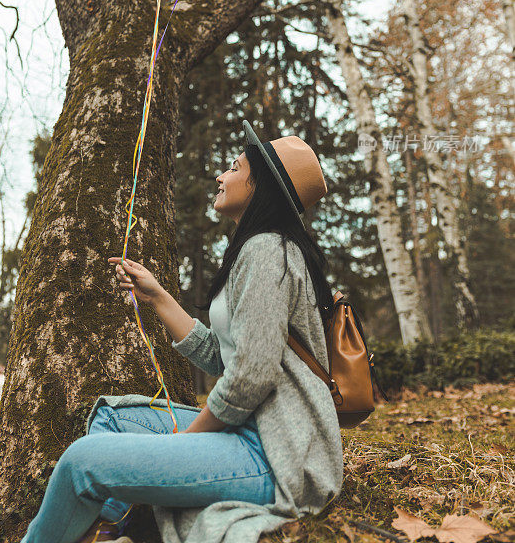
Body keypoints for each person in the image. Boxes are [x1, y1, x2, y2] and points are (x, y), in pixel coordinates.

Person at [20, 119, 343, 543]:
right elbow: (222, 357)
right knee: (112, 417)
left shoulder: (268, 251)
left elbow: (250, 377)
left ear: (260, 186)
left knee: (82, 462)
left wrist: (187, 440)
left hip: (277, 457)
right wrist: (157, 297)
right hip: (251, 436)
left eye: (233, 167)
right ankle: (114, 529)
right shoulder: (257, 249)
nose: (219, 175)